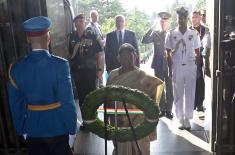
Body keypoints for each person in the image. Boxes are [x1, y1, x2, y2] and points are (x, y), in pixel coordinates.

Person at [7, 16, 77, 155]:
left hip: (33, 129)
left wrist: (23, 129)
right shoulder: (60, 65)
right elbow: (67, 102)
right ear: (48, 37)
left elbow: (15, 105)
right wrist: (72, 130)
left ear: (28, 39)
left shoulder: (15, 68)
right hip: (59, 127)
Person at [107, 43, 163, 155]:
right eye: (124, 57)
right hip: (119, 120)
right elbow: (107, 97)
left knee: (140, 149)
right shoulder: (113, 75)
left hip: (138, 121)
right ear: (118, 58)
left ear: (136, 56)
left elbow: (156, 89)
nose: (127, 60)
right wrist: (108, 119)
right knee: (120, 148)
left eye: (130, 56)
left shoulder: (142, 76)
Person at [165, 7, 201, 130]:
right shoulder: (171, 33)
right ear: (177, 19)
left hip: (190, 66)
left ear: (187, 18)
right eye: (179, 18)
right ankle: (180, 119)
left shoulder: (193, 33)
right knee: (178, 93)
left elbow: (197, 51)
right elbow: (168, 53)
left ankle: (188, 118)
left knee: (190, 93)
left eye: (184, 17)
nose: (182, 20)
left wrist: (198, 68)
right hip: (177, 67)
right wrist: (170, 70)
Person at [142, 12, 174, 119]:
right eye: (161, 21)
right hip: (158, 64)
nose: (163, 23)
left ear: (168, 22)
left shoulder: (173, 33)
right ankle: (162, 109)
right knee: (159, 87)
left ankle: (169, 109)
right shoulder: (155, 33)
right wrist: (152, 27)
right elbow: (144, 40)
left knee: (169, 88)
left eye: (165, 21)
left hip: (170, 65)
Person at [68, 14, 103, 106]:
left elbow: (99, 53)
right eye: (77, 22)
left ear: (85, 22)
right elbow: (70, 54)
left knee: (91, 95)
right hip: (77, 71)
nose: (79, 24)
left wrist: (99, 70)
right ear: (74, 24)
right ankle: (85, 119)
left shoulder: (92, 35)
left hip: (90, 71)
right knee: (81, 96)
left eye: (81, 21)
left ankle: (92, 118)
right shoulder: (72, 36)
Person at [191, 10, 211, 112]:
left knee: (200, 82)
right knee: (191, 82)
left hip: (201, 59)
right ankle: (192, 104)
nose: (194, 19)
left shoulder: (205, 30)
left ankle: (200, 104)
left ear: (200, 18)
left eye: (196, 17)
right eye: (193, 17)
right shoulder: (188, 30)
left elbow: (207, 45)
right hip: (190, 59)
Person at [86, 10, 105, 88]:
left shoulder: (98, 25)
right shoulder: (89, 28)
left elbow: (100, 38)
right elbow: (93, 42)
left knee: (102, 71)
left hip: (102, 52)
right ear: (91, 17)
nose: (96, 17)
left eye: (97, 15)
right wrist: (104, 41)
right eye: (94, 16)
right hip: (95, 54)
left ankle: (101, 86)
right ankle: (96, 89)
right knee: (97, 72)